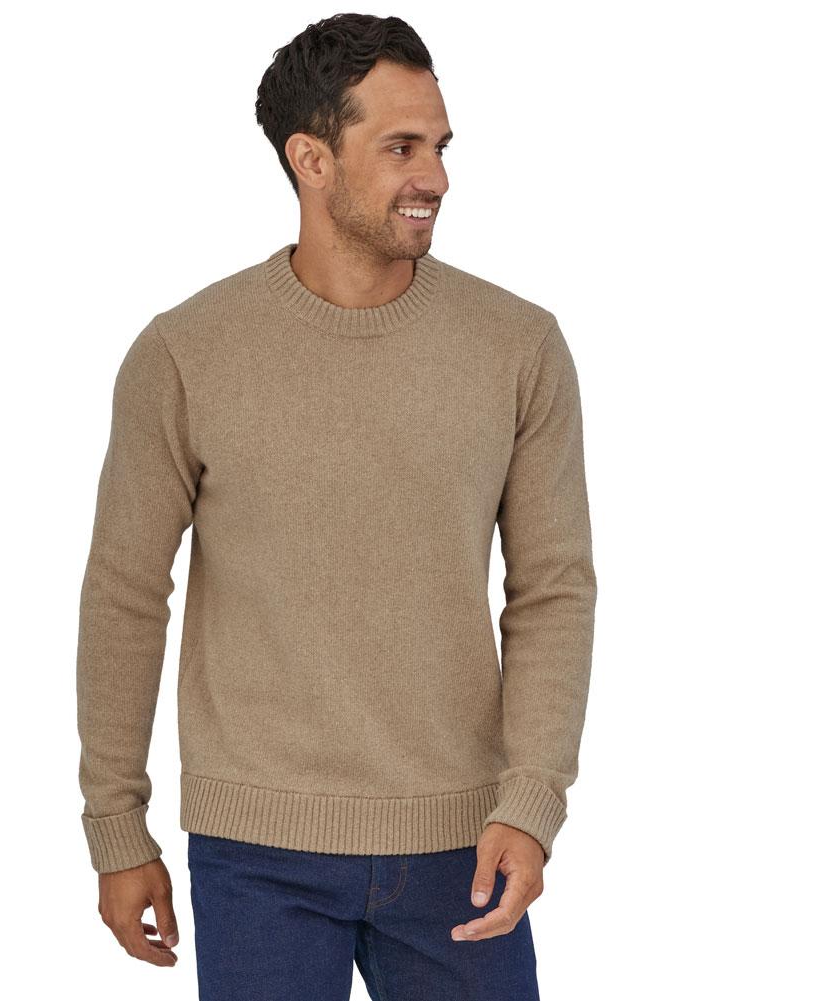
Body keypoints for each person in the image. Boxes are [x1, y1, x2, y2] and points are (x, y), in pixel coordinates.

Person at [76, 12, 597, 1000]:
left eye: (439, 146)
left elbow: (552, 588)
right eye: (400, 147)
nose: (434, 176)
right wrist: (116, 822)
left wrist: (531, 801)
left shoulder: (517, 346)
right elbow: (125, 590)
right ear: (309, 158)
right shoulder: (186, 352)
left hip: (465, 840)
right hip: (255, 849)